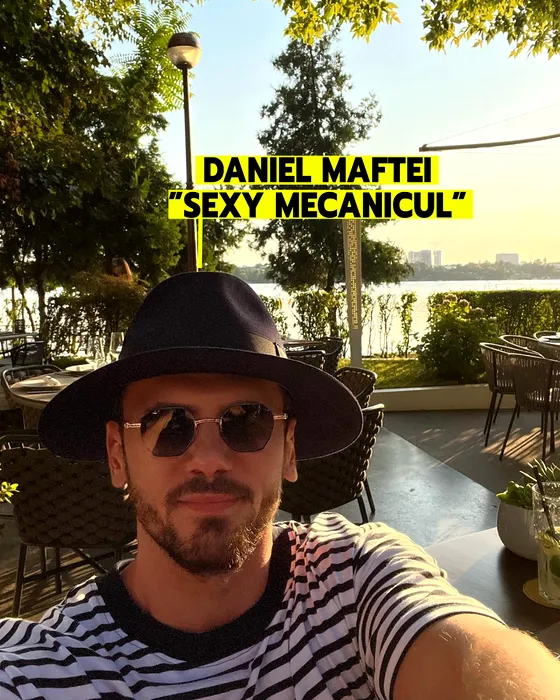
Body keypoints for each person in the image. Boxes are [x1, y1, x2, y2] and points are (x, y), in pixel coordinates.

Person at [0, 272, 558, 700]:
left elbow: (474, 660)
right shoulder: (46, 666)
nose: (208, 459)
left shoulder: (357, 581)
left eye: (247, 420)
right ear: (117, 455)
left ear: (289, 448)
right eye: (167, 424)